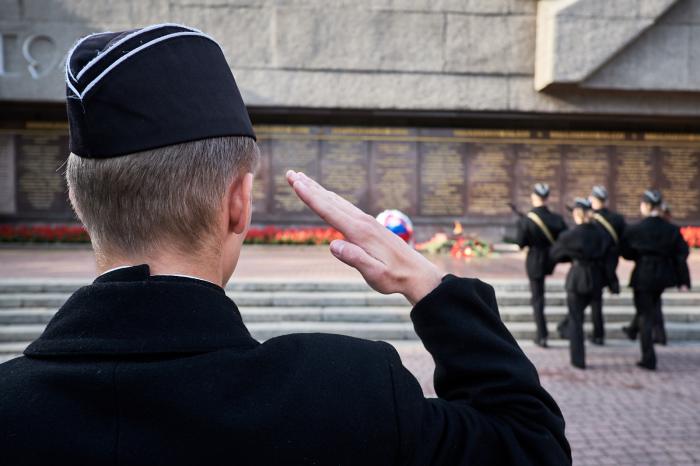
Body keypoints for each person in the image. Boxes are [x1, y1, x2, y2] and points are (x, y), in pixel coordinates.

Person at [0, 24, 571, 465]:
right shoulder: (349, 393)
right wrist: (431, 288)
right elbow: (529, 444)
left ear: (79, 203)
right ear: (238, 203)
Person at [620, 190, 691, 370]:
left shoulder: (635, 228)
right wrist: (682, 277)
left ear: (646, 206)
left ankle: (648, 357)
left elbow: (625, 250)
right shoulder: (671, 229)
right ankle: (634, 330)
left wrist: (638, 255)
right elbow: (682, 252)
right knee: (649, 308)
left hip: (643, 274)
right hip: (662, 276)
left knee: (645, 316)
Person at [550, 199, 610, 369]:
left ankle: (578, 359)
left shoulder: (570, 235)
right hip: (596, 277)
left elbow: (555, 254)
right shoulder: (601, 233)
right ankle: (593, 336)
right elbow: (609, 253)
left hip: (577, 277)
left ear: (577, 214)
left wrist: (571, 256)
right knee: (585, 312)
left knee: (576, 320)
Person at [515, 183, 568, 347]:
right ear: (547, 198)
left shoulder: (527, 220)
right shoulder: (557, 219)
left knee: (538, 299)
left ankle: (542, 335)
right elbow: (565, 238)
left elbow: (521, 243)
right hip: (550, 259)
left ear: (534, 196)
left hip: (535, 260)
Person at [588, 185, 626, 345]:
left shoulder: (590, 219)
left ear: (594, 199)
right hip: (611, 260)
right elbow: (624, 239)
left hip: (595, 262)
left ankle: (598, 334)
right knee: (597, 300)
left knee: (595, 301)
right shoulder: (617, 218)